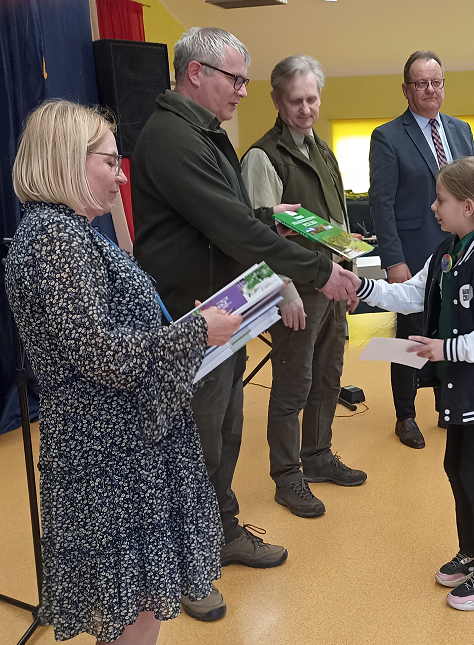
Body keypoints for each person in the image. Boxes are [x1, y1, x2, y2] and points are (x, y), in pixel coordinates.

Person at [131, 28, 356, 619]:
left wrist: (263, 213)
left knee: (225, 430)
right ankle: (187, 568)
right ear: (196, 73)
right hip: (191, 321)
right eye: (235, 79)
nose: (242, 90)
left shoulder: (203, 132)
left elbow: (226, 216)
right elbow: (229, 229)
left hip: (222, 317)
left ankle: (222, 531)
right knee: (196, 442)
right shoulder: (173, 136)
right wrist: (318, 269)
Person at [4, 100, 242, 644]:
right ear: (68, 159)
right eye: (110, 162)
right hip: (109, 454)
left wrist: (189, 329)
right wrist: (195, 332)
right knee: (130, 609)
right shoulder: (55, 239)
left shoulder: (70, 233)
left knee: (136, 605)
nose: (121, 175)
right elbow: (102, 355)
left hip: (124, 446)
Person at [350, 157, 474, 611]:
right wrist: (361, 287)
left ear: (467, 207)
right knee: (456, 467)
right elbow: (411, 293)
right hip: (464, 386)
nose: (433, 207)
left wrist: (446, 349)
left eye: (441, 200)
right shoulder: (450, 251)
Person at [241, 55, 367, 518]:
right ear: (277, 100)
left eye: (312, 99)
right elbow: (258, 238)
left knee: (328, 377)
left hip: (332, 284)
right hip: (297, 291)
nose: (306, 108)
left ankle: (317, 456)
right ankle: (287, 476)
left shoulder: (323, 150)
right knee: (293, 386)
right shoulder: (262, 157)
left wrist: (349, 276)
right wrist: (284, 291)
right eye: (296, 101)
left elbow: (338, 222)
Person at [369, 50, 474, 449]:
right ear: (406, 89)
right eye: (421, 83)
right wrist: (393, 261)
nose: (430, 89)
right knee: (410, 336)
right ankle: (405, 415)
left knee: (452, 327)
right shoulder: (387, 136)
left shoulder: (461, 130)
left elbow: (473, 192)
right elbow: (381, 204)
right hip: (413, 255)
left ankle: (447, 406)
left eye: (436, 82)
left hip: (459, 252)